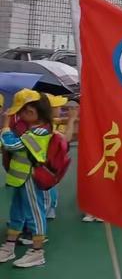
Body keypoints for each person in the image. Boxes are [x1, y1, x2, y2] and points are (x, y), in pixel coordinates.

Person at [0, 89, 54, 268]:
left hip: (29, 179)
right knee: (16, 212)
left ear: (33, 111)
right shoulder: (28, 129)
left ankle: (37, 252)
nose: (21, 115)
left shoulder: (40, 133)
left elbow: (12, 145)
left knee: (35, 214)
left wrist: (5, 125)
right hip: (18, 179)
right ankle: (9, 247)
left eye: (24, 111)